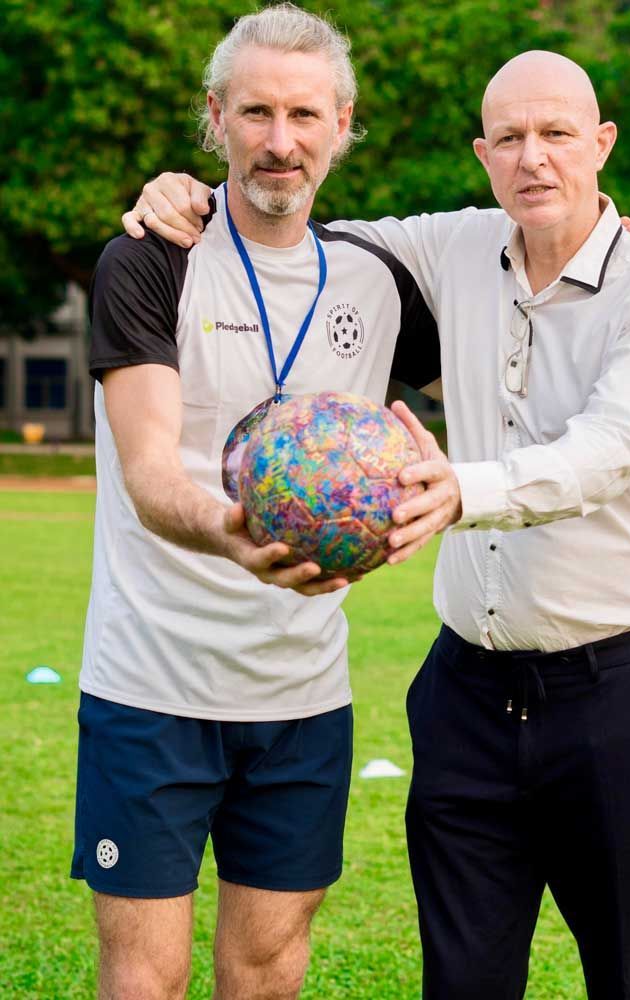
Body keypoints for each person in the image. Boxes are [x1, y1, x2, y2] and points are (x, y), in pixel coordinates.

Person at [125, 45, 630, 1000]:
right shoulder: (453, 246)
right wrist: (183, 190)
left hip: (621, 693)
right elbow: (287, 210)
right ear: (483, 154)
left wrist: (461, 490)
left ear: (601, 143)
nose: (535, 160)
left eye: (558, 134)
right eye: (510, 138)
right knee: (463, 978)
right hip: (465, 697)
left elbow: (606, 450)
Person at [73, 7, 446, 1000]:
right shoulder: (151, 257)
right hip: (149, 684)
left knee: (269, 972)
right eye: (255, 113)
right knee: (145, 975)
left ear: (342, 122)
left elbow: (504, 366)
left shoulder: (377, 281)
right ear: (215, 117)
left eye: (303, 114)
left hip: (300, 697)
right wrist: (235, 536)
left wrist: (616, 238)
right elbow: (151, 470)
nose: (280, 141)